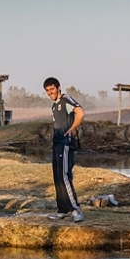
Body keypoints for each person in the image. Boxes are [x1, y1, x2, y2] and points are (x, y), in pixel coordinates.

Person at [44, 77, 85, 222]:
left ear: (58, 88)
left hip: (65, 143)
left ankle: (75, 209)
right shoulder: (54, 106)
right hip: (56, 143)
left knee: (64, 176)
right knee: (57, 177)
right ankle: (62, 209)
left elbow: (80, 113)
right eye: (47, 90)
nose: (50, 92)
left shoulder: (66, 100)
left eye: (52, 89)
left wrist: (72, 128)